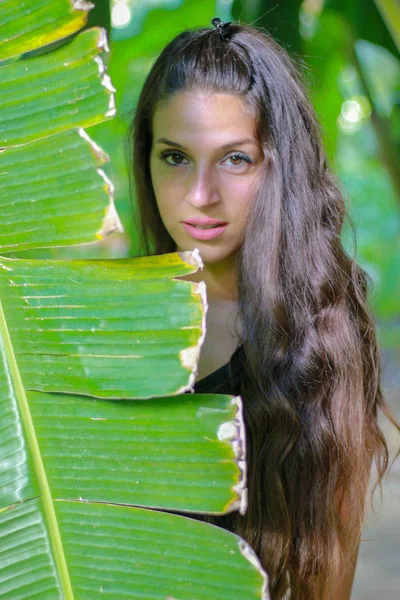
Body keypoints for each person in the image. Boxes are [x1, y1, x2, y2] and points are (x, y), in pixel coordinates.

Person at [128, 18, 399, 599]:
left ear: (279, 166)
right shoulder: (105, 321)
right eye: (175, 157)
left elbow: (327, 579)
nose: (200, 195)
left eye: (234, 160)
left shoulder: (323, 333)